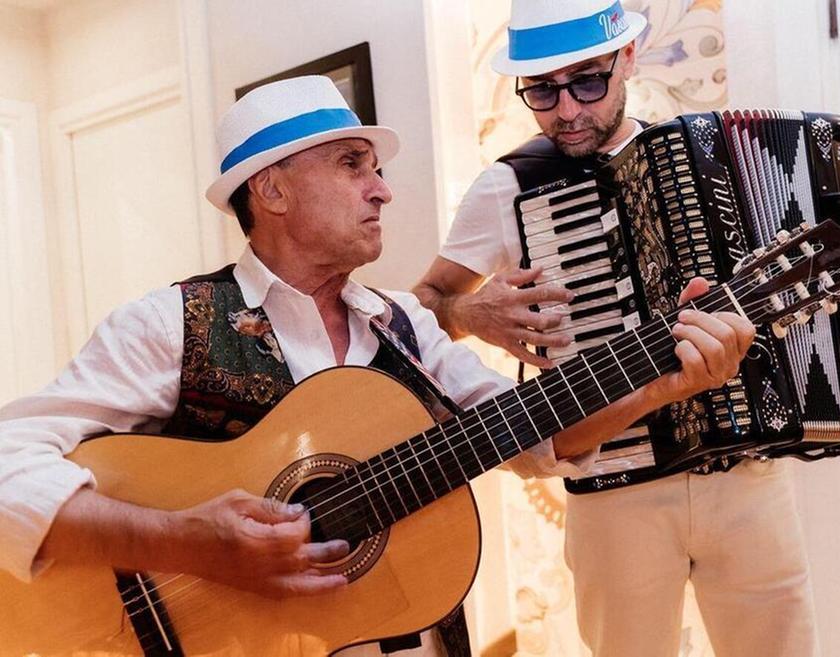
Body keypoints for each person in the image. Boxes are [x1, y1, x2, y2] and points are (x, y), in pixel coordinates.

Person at [0, 75, 753, 656]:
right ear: (273, 188)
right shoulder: (168, 325)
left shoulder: (405, 325)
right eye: (353, 164)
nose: (383, 186)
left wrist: (668, 379)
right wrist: (182, 542)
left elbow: (534, 435)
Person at [415, 1, 840, 656]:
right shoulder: (507, 187)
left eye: (587, 80)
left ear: (629, 59)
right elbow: (423, 305)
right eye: (541, 90)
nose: (566, 111)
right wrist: (467, 312)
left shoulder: (712, 160)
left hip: (747, 478)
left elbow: (834, 286)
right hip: (614, 487)